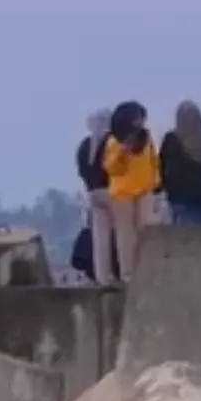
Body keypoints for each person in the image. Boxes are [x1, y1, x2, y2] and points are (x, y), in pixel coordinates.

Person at [103, 101, 160, 282]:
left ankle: (147, 267)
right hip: (122, 193)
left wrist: (155, 181)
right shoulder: (114, 142)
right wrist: (122, 152)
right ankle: (127, 273)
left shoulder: (147, 139)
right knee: (125, 232)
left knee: (146, 228)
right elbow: (111, 168)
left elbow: (154, 160)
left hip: (144, 189)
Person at [77, 108, 118, 286]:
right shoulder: (113, 143)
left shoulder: (85, 146)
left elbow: (83, 171)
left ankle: (102, 275)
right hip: (114, 193)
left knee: (99, 238)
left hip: (93, 194)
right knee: (119, 235)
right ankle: (118, 273)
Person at [160, 100, 201, 224]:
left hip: (178, 197)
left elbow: (163, 166)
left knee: (182, 238)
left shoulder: (171, 139)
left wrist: (164, 187)